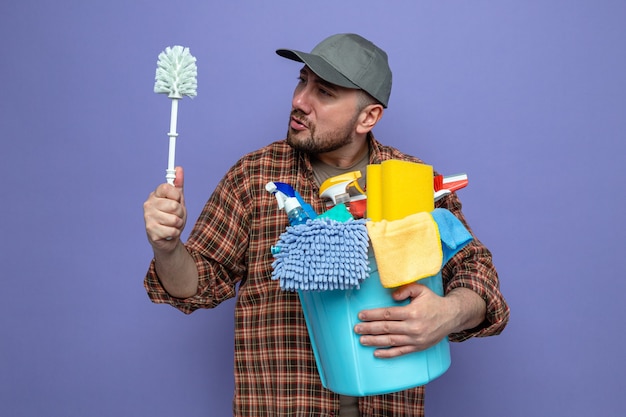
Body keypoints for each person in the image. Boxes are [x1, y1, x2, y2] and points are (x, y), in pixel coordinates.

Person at [143, 33, 509, 417]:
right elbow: (197, 286)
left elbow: (478, 276)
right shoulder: (253, 177)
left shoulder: (416, 185)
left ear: (368, 117)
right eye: (302, 81)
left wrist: (448, 313)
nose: (300, 101)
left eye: (325, 92)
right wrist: (168, 248)